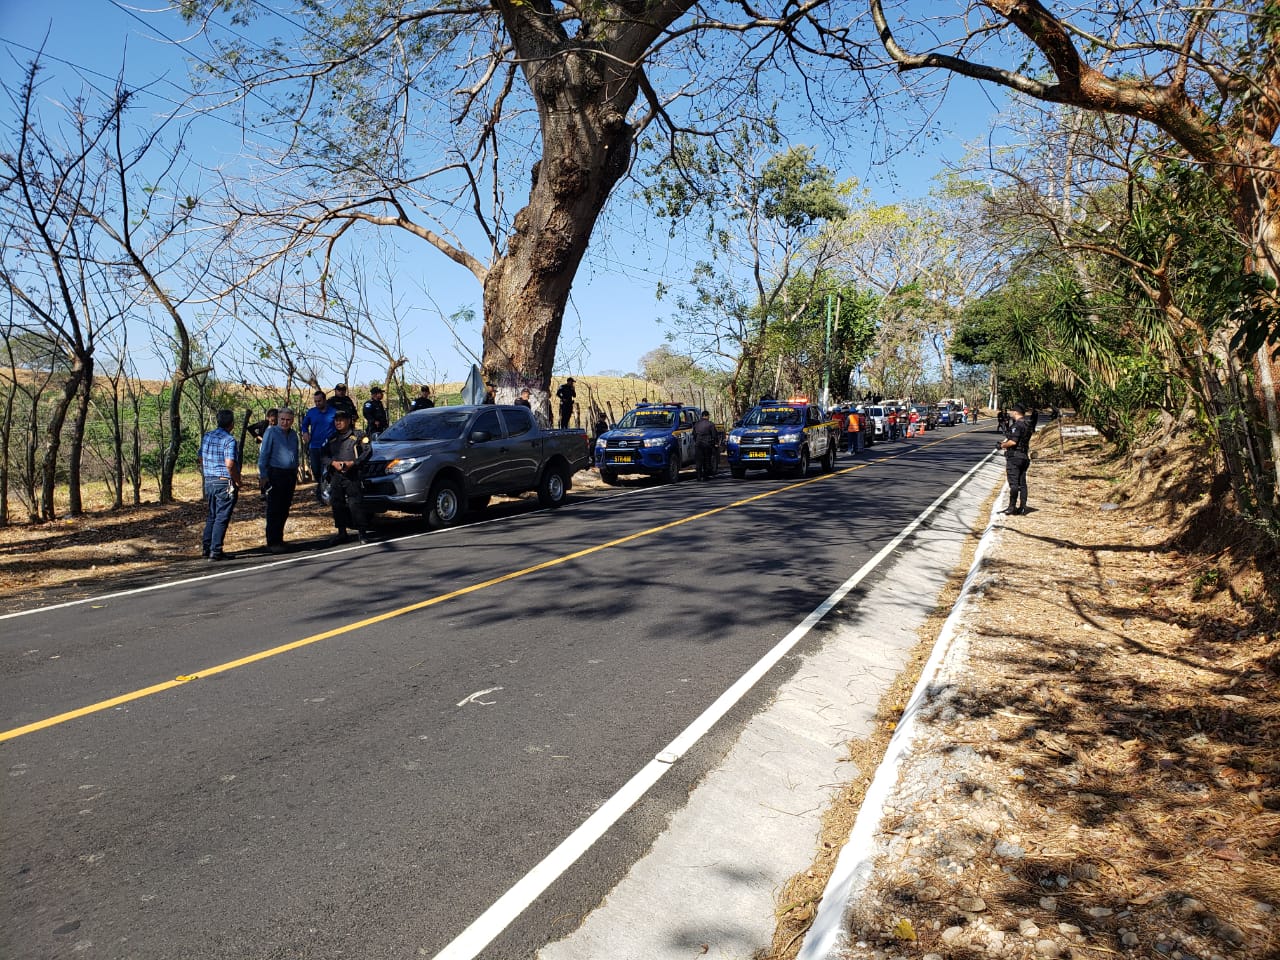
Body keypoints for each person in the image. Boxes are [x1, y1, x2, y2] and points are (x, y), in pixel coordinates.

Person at [323, 407, 374, 545]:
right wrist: (333, 463)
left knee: (355, 504)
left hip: (353, 475)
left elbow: (367, 452)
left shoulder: (358, 436)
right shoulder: (332, 438)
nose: (338, 423)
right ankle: (341, 532)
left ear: (348, 421)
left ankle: (362, 533)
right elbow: (324, 455)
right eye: (336, 421)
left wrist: (353, 463)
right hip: (336, 476)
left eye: (341, 420)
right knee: (337, 503)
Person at [199, 409, 241, 561]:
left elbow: (201, 458)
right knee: (221, 517)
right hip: (224, 481)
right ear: (232, 424)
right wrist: (237, 480)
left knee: (212, 515)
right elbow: (230, 464)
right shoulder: (229, 440)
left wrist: (208, 471)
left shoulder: (207, 436)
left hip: (209, 480)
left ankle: (207, 547)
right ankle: (215, 551)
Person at [257, 407, 299, 553]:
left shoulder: (293, 434)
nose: (285, 422)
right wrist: (263, 475)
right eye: (282, 419)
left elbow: (295, 453)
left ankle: (279, 539)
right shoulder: (271, 432)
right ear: (278, 419)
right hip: (275, 474)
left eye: (288, 420)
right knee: (274, 509)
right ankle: (272, 541)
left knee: (284, 508)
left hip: (290, 475)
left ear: (292, 420)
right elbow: (264, 455)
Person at [300, 390, 337, 500]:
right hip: (314, 446)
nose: (317, 403)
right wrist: (305, 433)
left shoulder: (333, 412)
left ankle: (323, 493)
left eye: (319, 401)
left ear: (325, 400)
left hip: (329, 447)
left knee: (326, 470)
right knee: (316, 470)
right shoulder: (311, 412)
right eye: (315, 401)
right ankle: (322, 488)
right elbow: (304, 425)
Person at [999, 403, 1034, 515]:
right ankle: (1023, 507)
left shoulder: (1017, 426)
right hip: (1024, 456)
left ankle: (1012, 507)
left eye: (1011, 411)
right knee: (1022, 483)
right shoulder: (1028, 424)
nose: (1010, 413)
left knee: (1014, 484)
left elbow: (1013, 442)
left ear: (1015, 412)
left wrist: (1002, 445)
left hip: (1015, 457)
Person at [693, 409, 718, 481]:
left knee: (698, 460)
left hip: (698, 444)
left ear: (702, 416)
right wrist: (715, 443)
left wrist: (696, 441)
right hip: (707, 444)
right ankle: (705, 476)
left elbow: (694, 435)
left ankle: (698, 476)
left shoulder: (696, 424)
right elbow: (714, 435)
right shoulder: (710, 424)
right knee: (707, 460)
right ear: (707, 416)